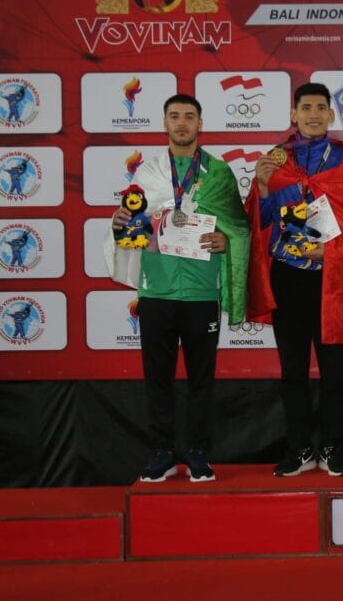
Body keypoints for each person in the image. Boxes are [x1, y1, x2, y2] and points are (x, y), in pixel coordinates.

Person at [105, 94, 249, 483]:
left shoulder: (218, 172)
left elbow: (239, 227)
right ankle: (162, 453)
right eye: (174, 116)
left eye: (189, 116)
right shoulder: (148, 173)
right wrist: (120, 225)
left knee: (202, 380)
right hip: (156, 292)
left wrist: (226, 240)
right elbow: (132, 224)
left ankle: (198, 452)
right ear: (164, 123)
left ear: (200, 123)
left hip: (201, 293)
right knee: (158, 379)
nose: (182, 122)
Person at [245, 82, 343, 477]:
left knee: (334, 371)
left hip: (332, 280)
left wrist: (330, 252)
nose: (313, 115)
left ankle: (333, 448)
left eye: (320, 108)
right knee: (292, 370)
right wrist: (262, 187)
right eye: (306, 108)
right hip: (288, 278)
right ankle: (299, 449)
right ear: (293, 115)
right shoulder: (275, 159)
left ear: (331, 115)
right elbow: (260, 221)